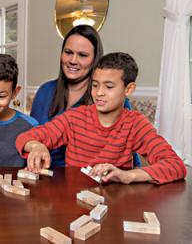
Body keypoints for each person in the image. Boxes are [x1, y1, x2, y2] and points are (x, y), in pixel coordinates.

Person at [16, 52, 187, 184]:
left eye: (109, 86)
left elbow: (175, 165)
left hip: (115, 204)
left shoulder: (135, 124)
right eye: (95, 85)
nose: (99, 93)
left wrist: (127, 176)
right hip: (73, 199)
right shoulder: (75, 118)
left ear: (128, 89)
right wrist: (37, 146)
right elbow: (25, 137)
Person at [30, 25, 139, 167]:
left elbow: (129, 154)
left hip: (90, 181)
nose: (73, 60)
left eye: (82, 55)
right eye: (68, 52)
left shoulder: (111, 100)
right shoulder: (45, 91)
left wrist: (132, 177)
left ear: (95, 59)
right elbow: (31, 136)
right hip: (44, 175)